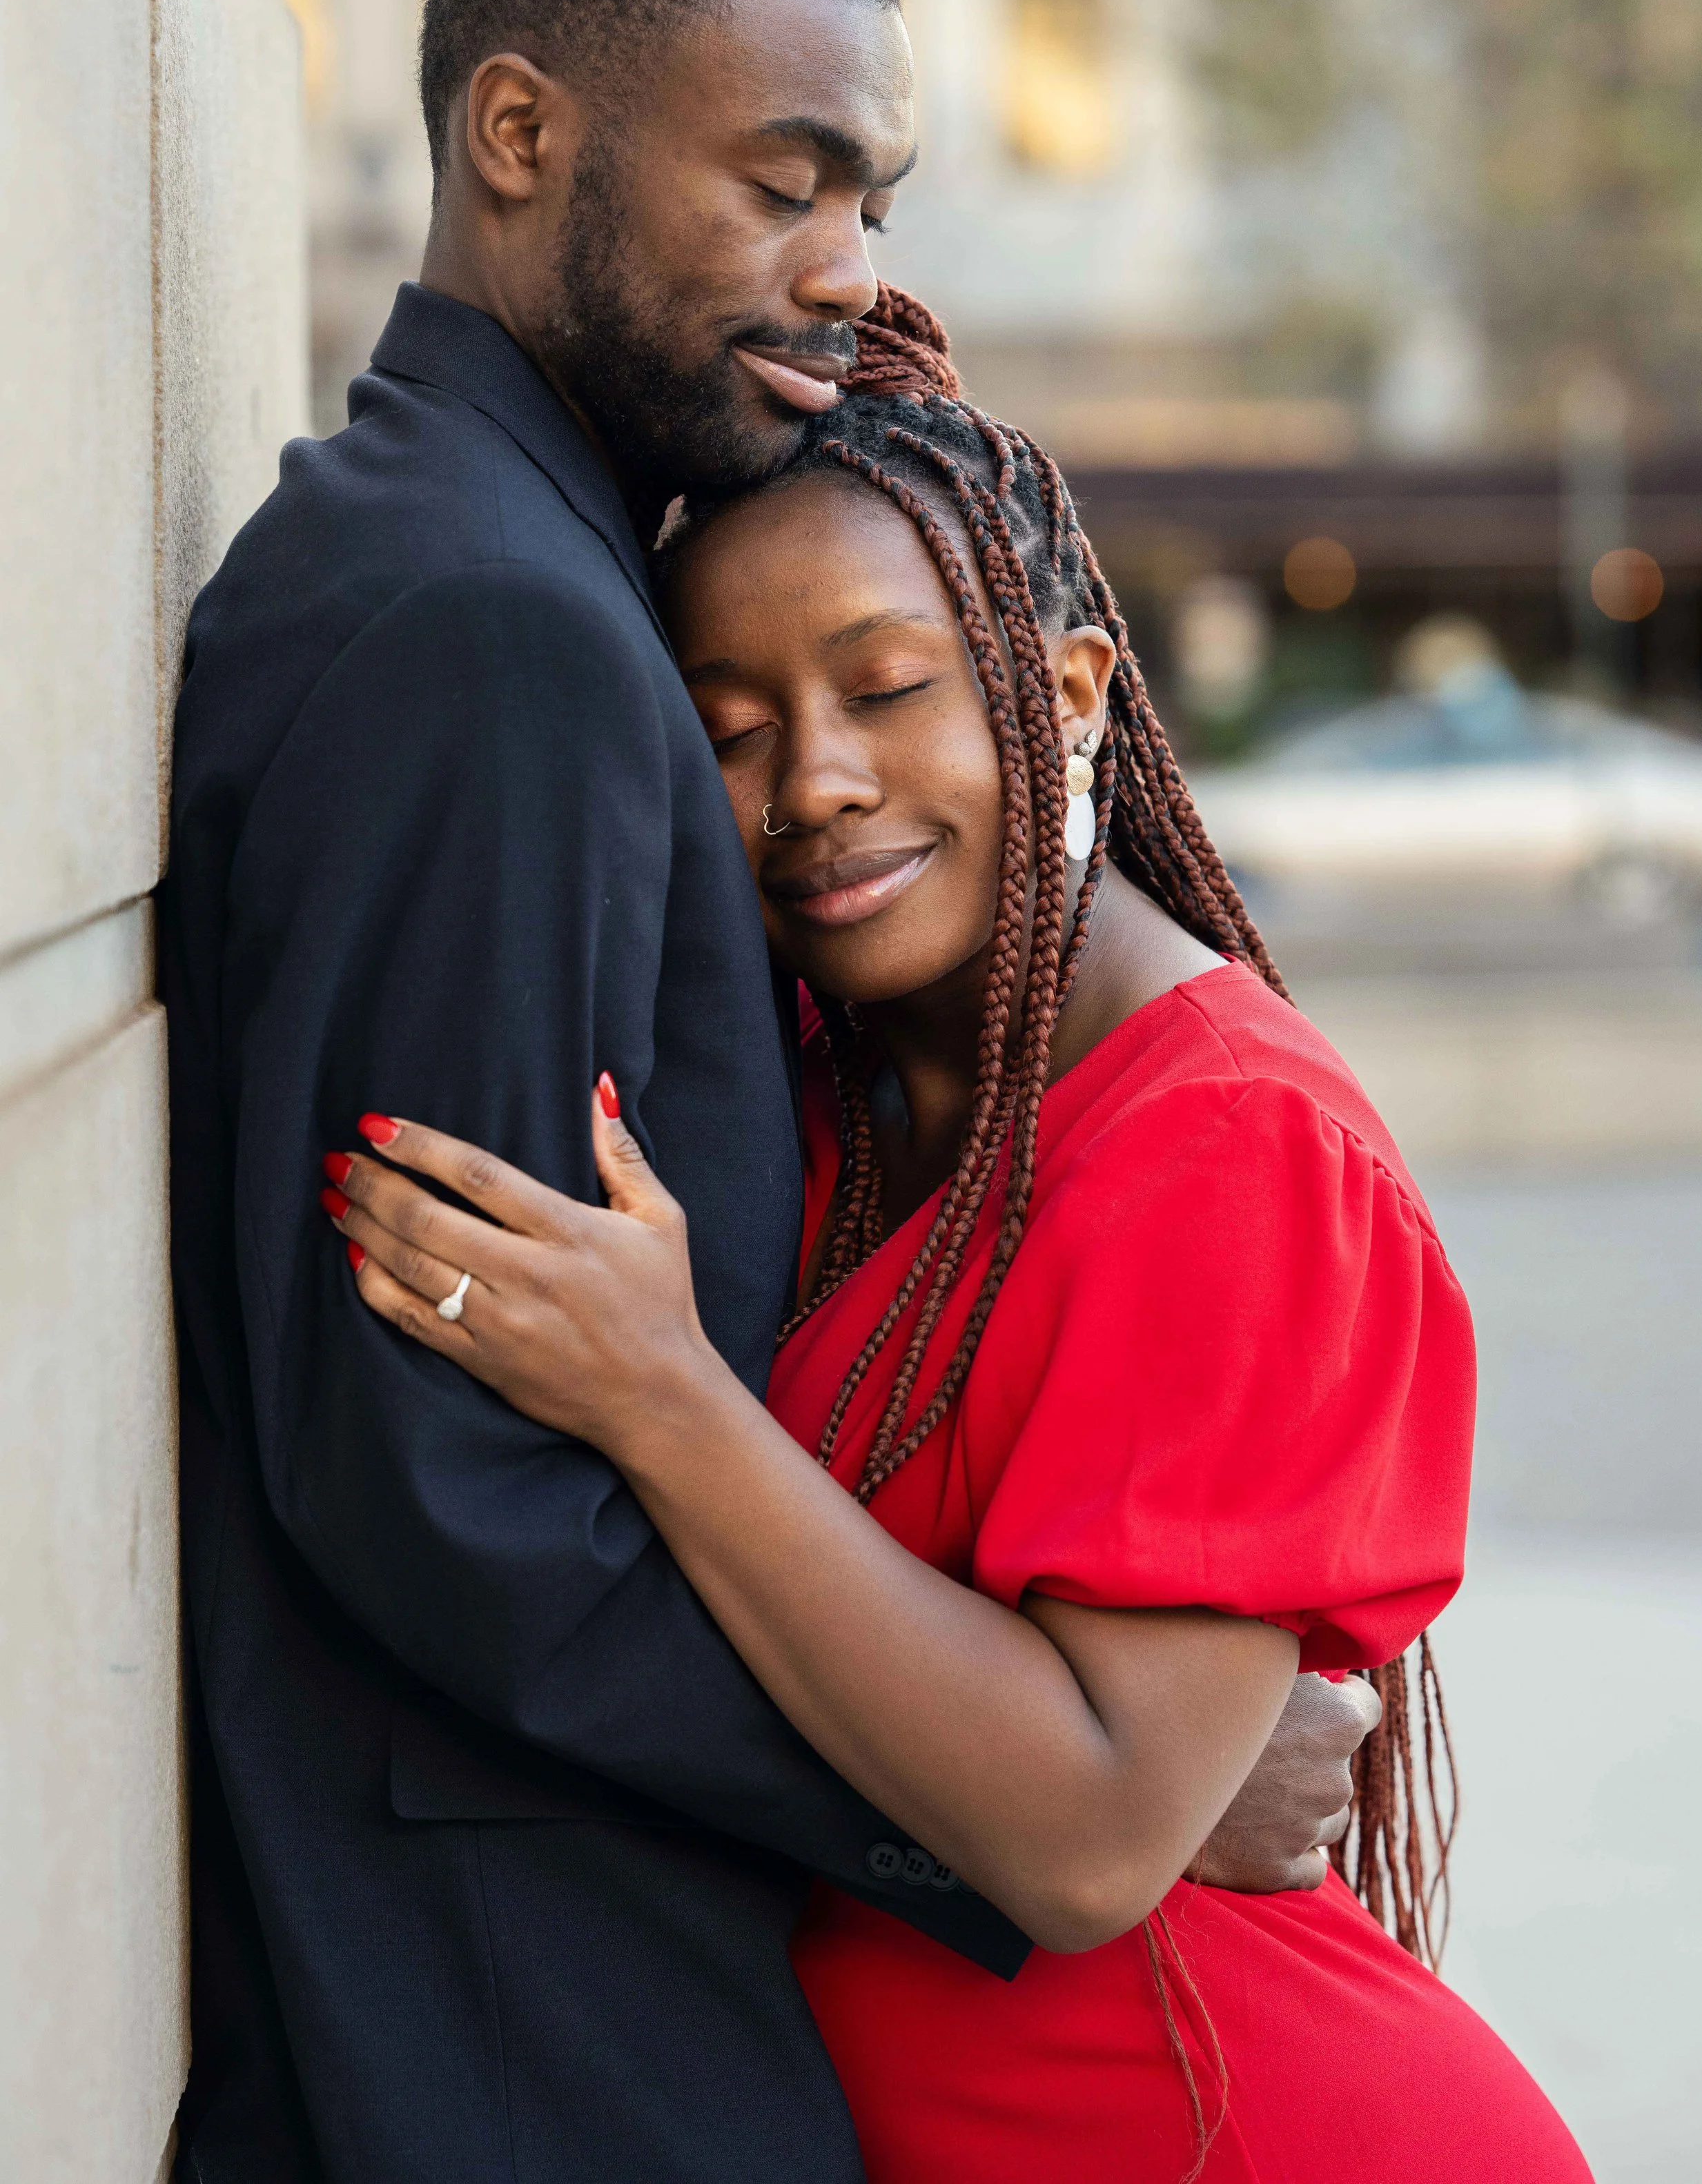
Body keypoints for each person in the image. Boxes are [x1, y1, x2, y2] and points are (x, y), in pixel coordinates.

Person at [160, 0, 1366, 2184]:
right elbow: (450, 1498)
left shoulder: (517, 567)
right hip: (523, 2045)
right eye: (781, 182)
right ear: (522, 138)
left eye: (874, 203)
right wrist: (1068, 1776)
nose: (843, 268)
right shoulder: (490, 632)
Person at [323, 294, 1595, 2182]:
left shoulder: (1227, 1143)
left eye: (884, 685)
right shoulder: (828, 1090)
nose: (813, 782)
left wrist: (661, 1396)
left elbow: (1081, 1841)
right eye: (727, 731)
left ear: (1065, 694)